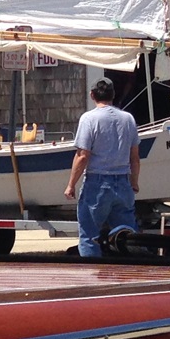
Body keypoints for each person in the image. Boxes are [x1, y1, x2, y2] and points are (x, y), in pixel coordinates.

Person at [64, 77, 140, 257]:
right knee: (126, 237)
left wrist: (71, 184)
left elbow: (82, 156)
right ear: (113, 95)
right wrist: (134, 182)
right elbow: (134, 157)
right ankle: (130, 275)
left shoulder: (89, 119)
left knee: (90, 236)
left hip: (97, 183)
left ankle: (91, 277)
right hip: (122, 182)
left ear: (92, 95)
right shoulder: (128, 119)